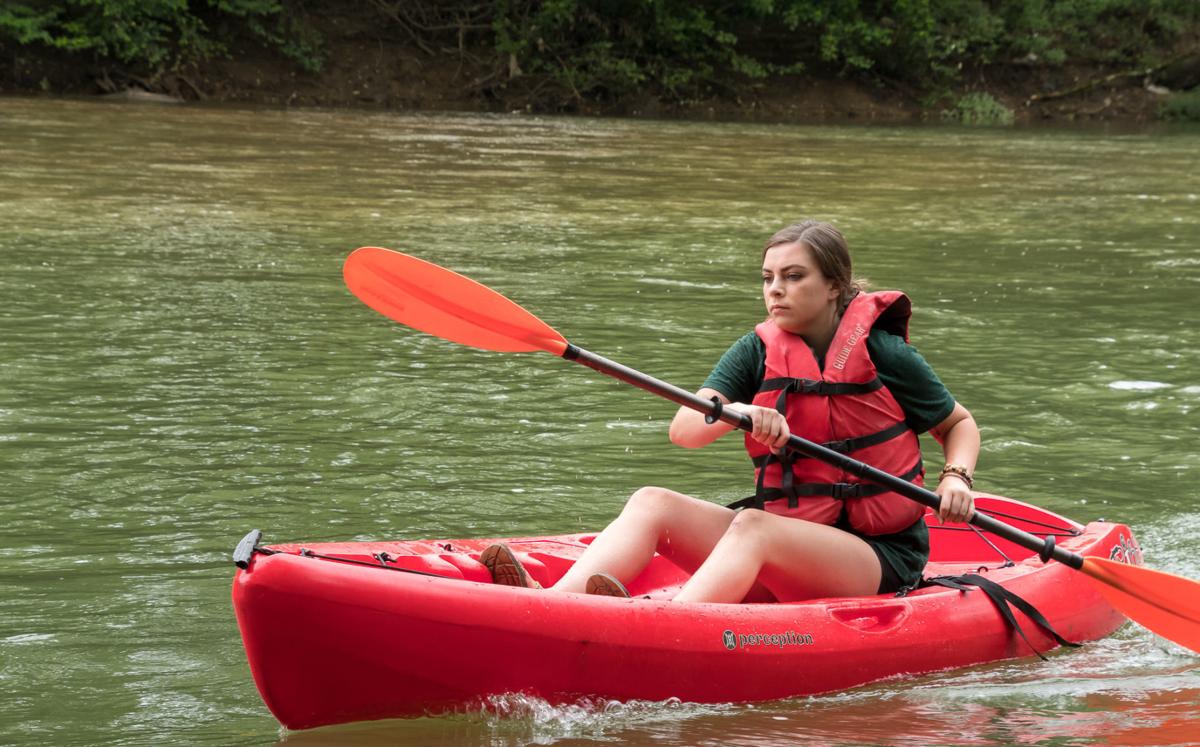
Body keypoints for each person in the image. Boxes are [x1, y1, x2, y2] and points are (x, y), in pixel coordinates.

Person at [481, 220, 979, 602]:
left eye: (793, 276)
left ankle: (667, 630)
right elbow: (684, 431)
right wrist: (737, 411)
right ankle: (552, 605)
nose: (775, 289)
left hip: (876, 556)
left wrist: (956, 478)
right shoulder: (756, 351)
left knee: (753, 525)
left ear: (834, 285)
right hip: (785, 546)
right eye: (768, 278)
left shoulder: (884, 353)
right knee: (653, 501)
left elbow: (958, 424)